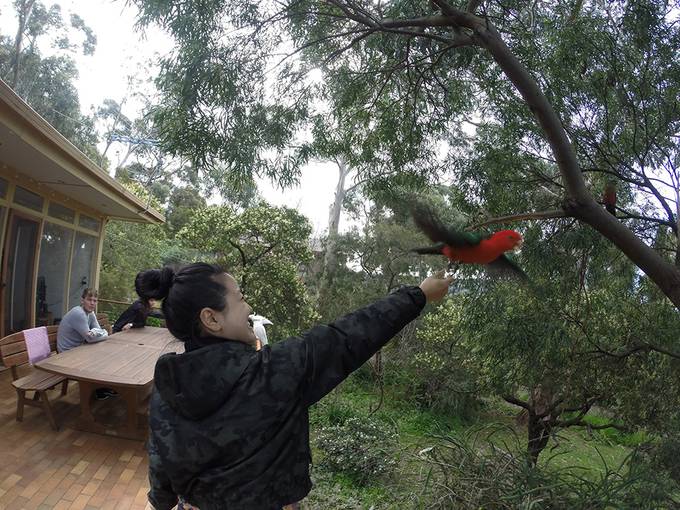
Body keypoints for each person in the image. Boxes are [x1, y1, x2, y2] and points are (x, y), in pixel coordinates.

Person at [142, 263, 452, 510]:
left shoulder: (167, 387)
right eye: (239, 298)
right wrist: (419, 294)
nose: (248, 307)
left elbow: (160, 456)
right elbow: (349, 336)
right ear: (211, 318)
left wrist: (161, 501)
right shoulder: (275, 372)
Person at [57, 288, 113, 400]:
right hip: (66, 353)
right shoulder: (79, 313)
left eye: (95, 300)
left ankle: (102, 387)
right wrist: (105, 333)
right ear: (82, 300)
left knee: (105, 355)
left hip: (78, 348)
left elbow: (97, 330)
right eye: (89, 299)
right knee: (98, 359)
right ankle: (98, 390)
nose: (92, 303)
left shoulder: (90, 313)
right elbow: (90, 339)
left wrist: (99, 332)